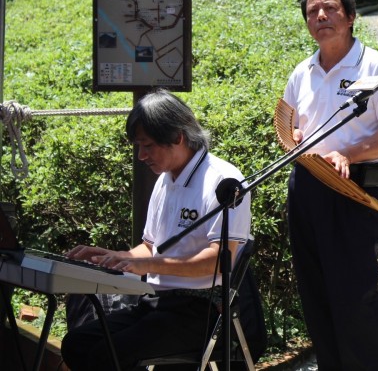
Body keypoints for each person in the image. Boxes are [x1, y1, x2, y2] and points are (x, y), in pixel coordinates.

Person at [61, 89, 263, 371]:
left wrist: (146, 262)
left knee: (107, 355)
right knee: (76, 344)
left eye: (148, 146)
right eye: (138, 147)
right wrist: (113, 257)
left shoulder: (223, 181)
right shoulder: (165, 179)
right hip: (155, 303)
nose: (141, 156)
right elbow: (150, 246)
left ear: (177, 137)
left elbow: (219, 262)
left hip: (200, 311)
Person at [282, 0, 378, 371]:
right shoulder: (301, 73)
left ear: (351, 17)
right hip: (306, 187)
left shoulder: (376, 67)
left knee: (355, 299)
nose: (320, 16)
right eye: (312, 12)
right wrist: (295, 137)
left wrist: (346, 153)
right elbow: (286, 126)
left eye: (330, 9)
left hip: (353, 190)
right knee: (316, 296)